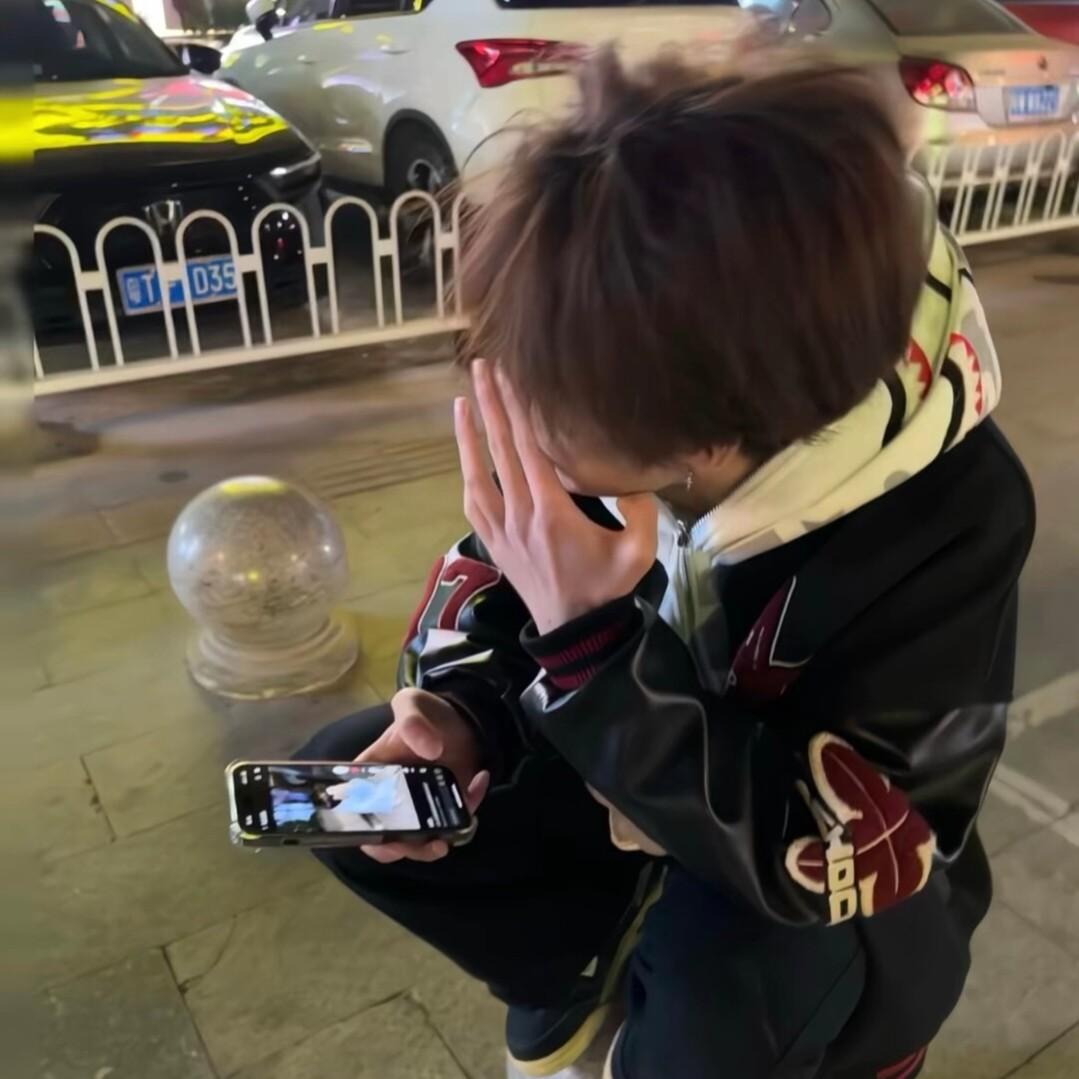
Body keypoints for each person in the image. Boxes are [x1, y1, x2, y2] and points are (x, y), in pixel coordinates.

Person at [296, 50, 1035, 1079]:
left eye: (550, 406)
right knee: (350, 775)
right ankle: (572, 960)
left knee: (719, 998)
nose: (518, 422)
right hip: (641, 764)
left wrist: (589, 647)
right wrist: (466, 715)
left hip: (807, 876)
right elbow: (491, 585)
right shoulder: (628, 382)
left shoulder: (948, 517)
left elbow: (842, 851)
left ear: (704, 436)